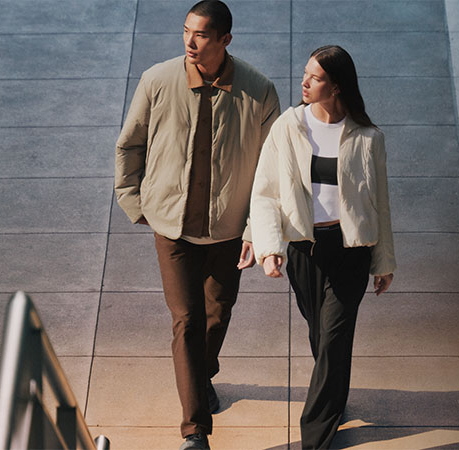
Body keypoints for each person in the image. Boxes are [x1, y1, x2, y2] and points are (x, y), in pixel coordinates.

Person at [114, 1, 280, 448]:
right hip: (172, 226)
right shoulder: (157, 80)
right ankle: (195, 430)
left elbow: (272, 171)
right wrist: (134, 199)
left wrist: (254, 232)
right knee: (185, 319)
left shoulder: (259, 92)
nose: (190, 41)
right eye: (187, 31)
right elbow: (129, 145)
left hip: (228, 230)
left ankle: (201, 377)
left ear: (225, 39)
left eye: (202, 34)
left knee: (216, 314)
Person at [249, 45, 396, 449]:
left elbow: (379, 202)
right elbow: (264, 193)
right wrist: (268, 247)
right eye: (306, 74)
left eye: (314, 78)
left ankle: (314, 436)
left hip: (351, 250)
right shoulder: (288, 126)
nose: (304, 82)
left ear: (336, 86)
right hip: (304, 248)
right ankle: (334, 394)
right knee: (321, 335)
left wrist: (383, 260)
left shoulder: (368, 138)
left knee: (333, 337)